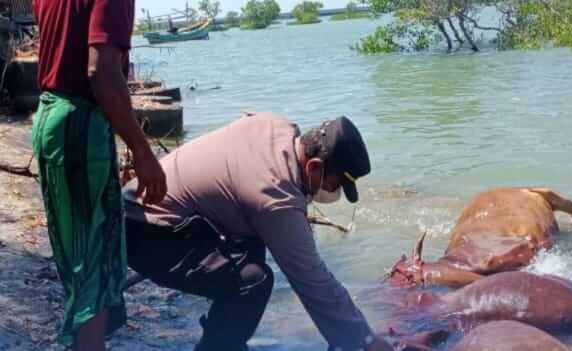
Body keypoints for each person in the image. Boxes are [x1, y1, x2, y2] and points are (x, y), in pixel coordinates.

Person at [124, 112, 393, 351]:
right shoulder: (275, 195)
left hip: (154, 212)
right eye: (334, 186)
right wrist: (365, 340)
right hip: (146, 230)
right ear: (313, 167)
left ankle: (226, 337)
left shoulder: (278, 127)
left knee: (254, 242)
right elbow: (312, 281)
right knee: (252, 281)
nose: (332, 194)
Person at [31, 1, 167, 350]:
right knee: (95, 263)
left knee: (77, 259)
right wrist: (141, 149)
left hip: (50, 114)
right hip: (80, 126)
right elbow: (102, 72)